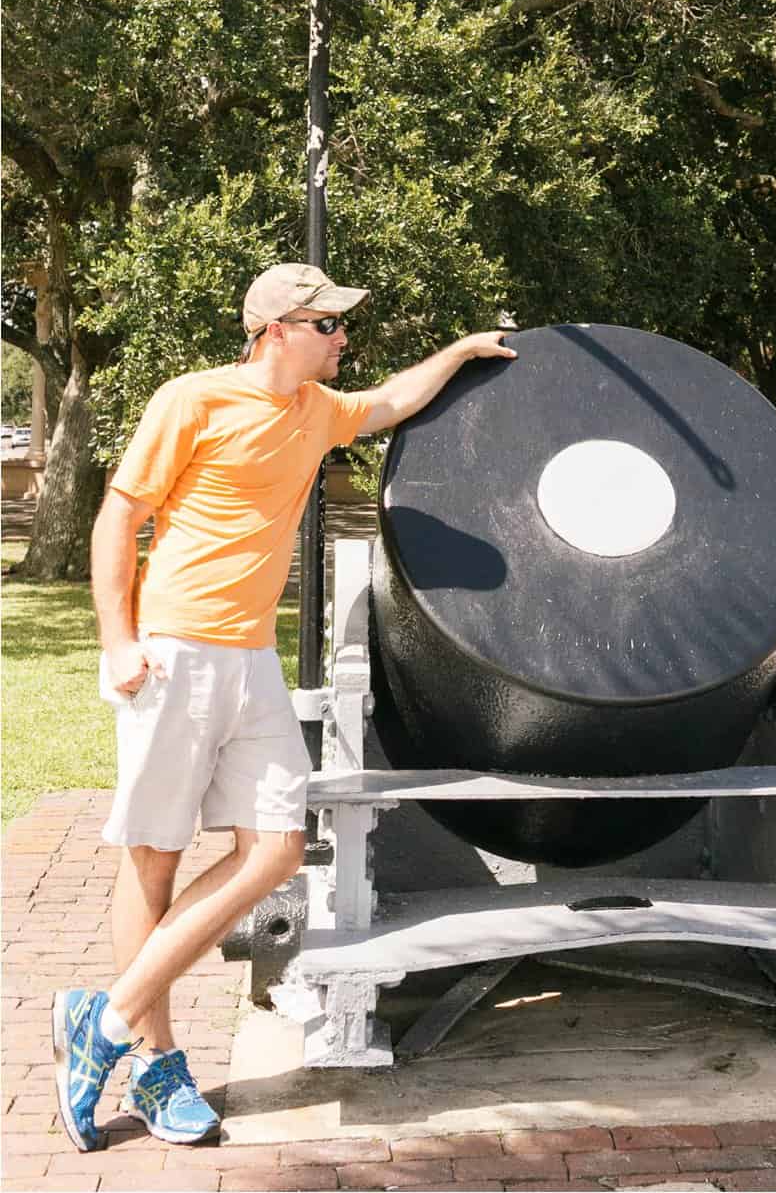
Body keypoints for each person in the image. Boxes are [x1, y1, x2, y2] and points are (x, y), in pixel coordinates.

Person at [52, 263, 517, 1152]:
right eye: (328, 324)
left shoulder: (317, 411)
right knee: (152, 861)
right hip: (175, 652)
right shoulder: (191, 400)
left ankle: (100, 1020)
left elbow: (391, 402)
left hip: (249, 657)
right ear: (277, 329)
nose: (343, 337)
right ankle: (156, 1064)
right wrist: (119, 639)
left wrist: (459, 349)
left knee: (275, 848)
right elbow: (120, 518)